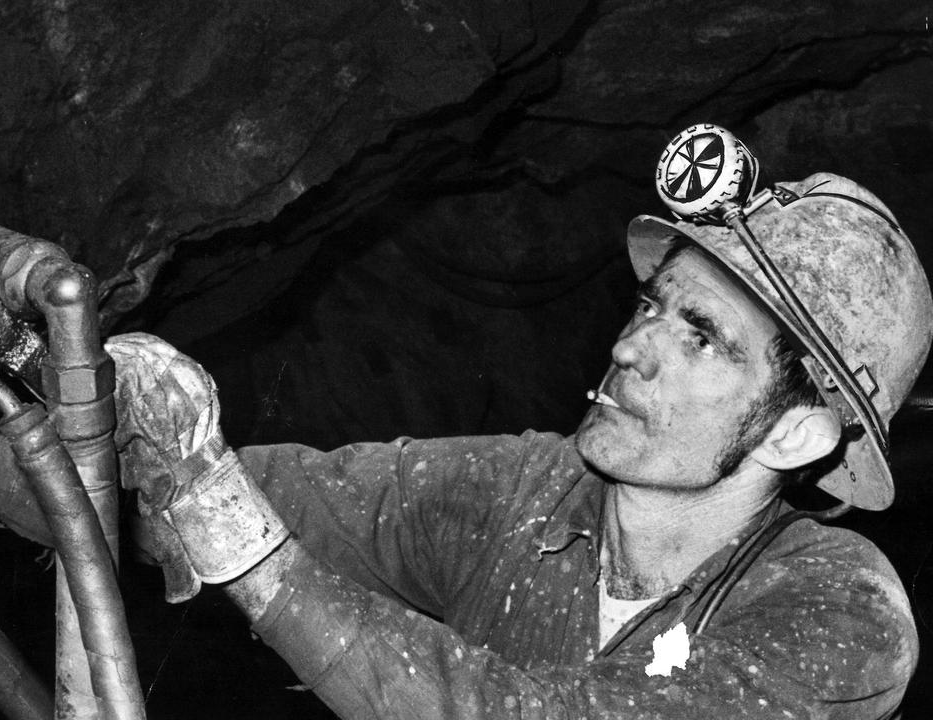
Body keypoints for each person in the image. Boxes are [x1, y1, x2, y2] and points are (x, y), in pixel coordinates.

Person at [109, 162, 931, 719]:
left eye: (701, 336)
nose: (630, 347)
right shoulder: (531, 493)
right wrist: (28, 431)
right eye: (650, 305)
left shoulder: (843, 616)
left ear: (796, 432)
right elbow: (244, 491)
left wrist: (251, 559)